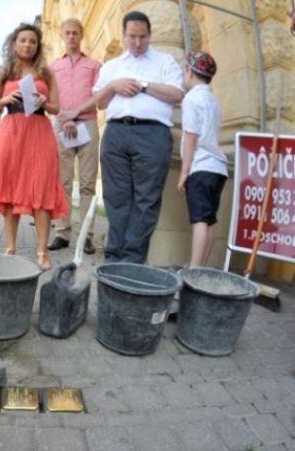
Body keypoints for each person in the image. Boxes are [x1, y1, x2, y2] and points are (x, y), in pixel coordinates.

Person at [93, 11, 184, 263]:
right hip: (116, 133)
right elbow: (98, 103)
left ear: (150, 35)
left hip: (152, 134)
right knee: (115, 196)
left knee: (146, 198)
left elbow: (177, 94)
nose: (137, 43)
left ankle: (132, 261)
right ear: (123, 35)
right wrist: (113, 86)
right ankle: (113, 257)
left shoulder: (165, 62)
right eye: (132, 37)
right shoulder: (112, 67)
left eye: (142, 37)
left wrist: (143, 85)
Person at [0, 23, 68, 271]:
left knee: (42, 190)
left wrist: (44, 100)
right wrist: (4, 99)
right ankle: (10, 249)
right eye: (23, 40)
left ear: (38, 45)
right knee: (11, 189)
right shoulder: (3, 71)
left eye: (32, 41)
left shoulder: (46, 72)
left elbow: (56, 108)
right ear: (14, 43)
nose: (28, 45)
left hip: (39, 129)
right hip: (11, 131)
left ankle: (42, 252)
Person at [48, 18, 102, 255]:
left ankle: (87, 235)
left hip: (88, 123)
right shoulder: (53, 67)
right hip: (62, 125)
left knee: (88, 183)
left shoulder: (94, 65)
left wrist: (77, 113)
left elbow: (99, 95)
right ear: (62, 35)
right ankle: (62, 232)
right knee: (63, 182)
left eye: (75, 33)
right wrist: (65, 117)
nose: (71, 37)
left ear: (81, 36)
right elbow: (50, 98)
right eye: (67, 33)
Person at [177, 51, 227, 267]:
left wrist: (184, 171)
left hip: (201, 166)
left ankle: (194, 269)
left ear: (190, 72)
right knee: (209, 219)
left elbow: (191, 137)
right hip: (218, 169)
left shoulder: (191, 99)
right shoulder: (213, 101)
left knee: (198, 219)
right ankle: (201, 268)